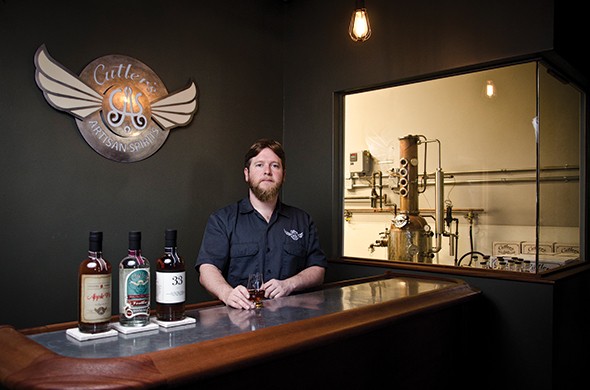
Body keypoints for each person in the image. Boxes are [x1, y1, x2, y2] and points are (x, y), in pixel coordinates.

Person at [195, 138, 327, 309]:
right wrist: (226, 293)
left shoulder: (303, 220)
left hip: (292, 321)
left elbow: (318, 269)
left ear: (284, 175)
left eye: (275, 165)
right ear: (246, 174)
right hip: (239, 320)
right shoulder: (222, 220)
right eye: (259, 165)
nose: (267, 171)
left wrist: (289, 284)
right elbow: (207, 269)